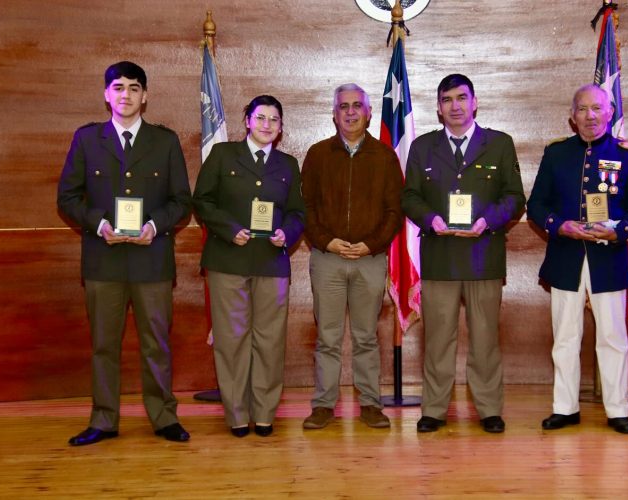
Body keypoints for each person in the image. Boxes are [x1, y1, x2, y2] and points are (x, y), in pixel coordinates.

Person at [57, 61, 191, 445]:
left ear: (145, 96)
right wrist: (99, 224)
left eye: (134, 88)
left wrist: (154, 225)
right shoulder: (87, 140)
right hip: (104, 260)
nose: (126, 95)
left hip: (152, 259)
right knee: (103, 345)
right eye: (118, 87)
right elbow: (67, 197)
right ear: (106, 94)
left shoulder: (164, 141)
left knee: (156, 345)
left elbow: (182, 201)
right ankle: (103, 420)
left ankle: (164, 417)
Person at [526, 84, 628, 434]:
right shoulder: (556, 154)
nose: (590, 116)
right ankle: (565, 408)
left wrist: (619, 231)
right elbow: (536, 205)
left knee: (613, 336)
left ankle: (617, 409)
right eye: (582, 109)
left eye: (597, 108)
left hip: (609, 258)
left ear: (610, 112)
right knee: (565, 336)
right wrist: (560, 225)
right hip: (566, 257)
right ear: (572, 116)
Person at [402, 74, 525, 434]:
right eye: (447, 100)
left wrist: (488, 221)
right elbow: (409, 197)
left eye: (461, 98)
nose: (455, 106)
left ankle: (488, 408)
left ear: (475, 102)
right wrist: (431, 218)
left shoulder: (499, 144)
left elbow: (515, 197)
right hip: (440, 257)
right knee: (438, 339)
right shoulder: (423, 147)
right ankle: (434, 410)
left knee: (485, 338)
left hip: (483, 256)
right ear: (438, 108)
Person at [192, 95, 304, 438]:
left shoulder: (288, 164)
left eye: (274, 119)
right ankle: (238, 414)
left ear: (281, 127)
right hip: (228, 259)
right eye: (260, 118)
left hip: (271, 262)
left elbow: (299, 212)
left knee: (269, 341)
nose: (267, 124)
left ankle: (265, 412)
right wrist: (229, 230)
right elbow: (202, 201)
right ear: (247, 121)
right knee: (232, 340)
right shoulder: (223, 155)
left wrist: (287, 232)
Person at [300, 83, 403, 429]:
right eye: (343, 106)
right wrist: (326, 241)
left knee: (365, 337)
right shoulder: (317, 155)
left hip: (369, 261)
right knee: (328, 336)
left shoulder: (385, 157)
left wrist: (371, 245)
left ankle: (371, 404)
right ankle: (323, 405)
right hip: (327, 259)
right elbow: (306, 208)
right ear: (334, 113)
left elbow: (394, 211)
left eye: (357, 105)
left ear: (369, 112)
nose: (350, 111)